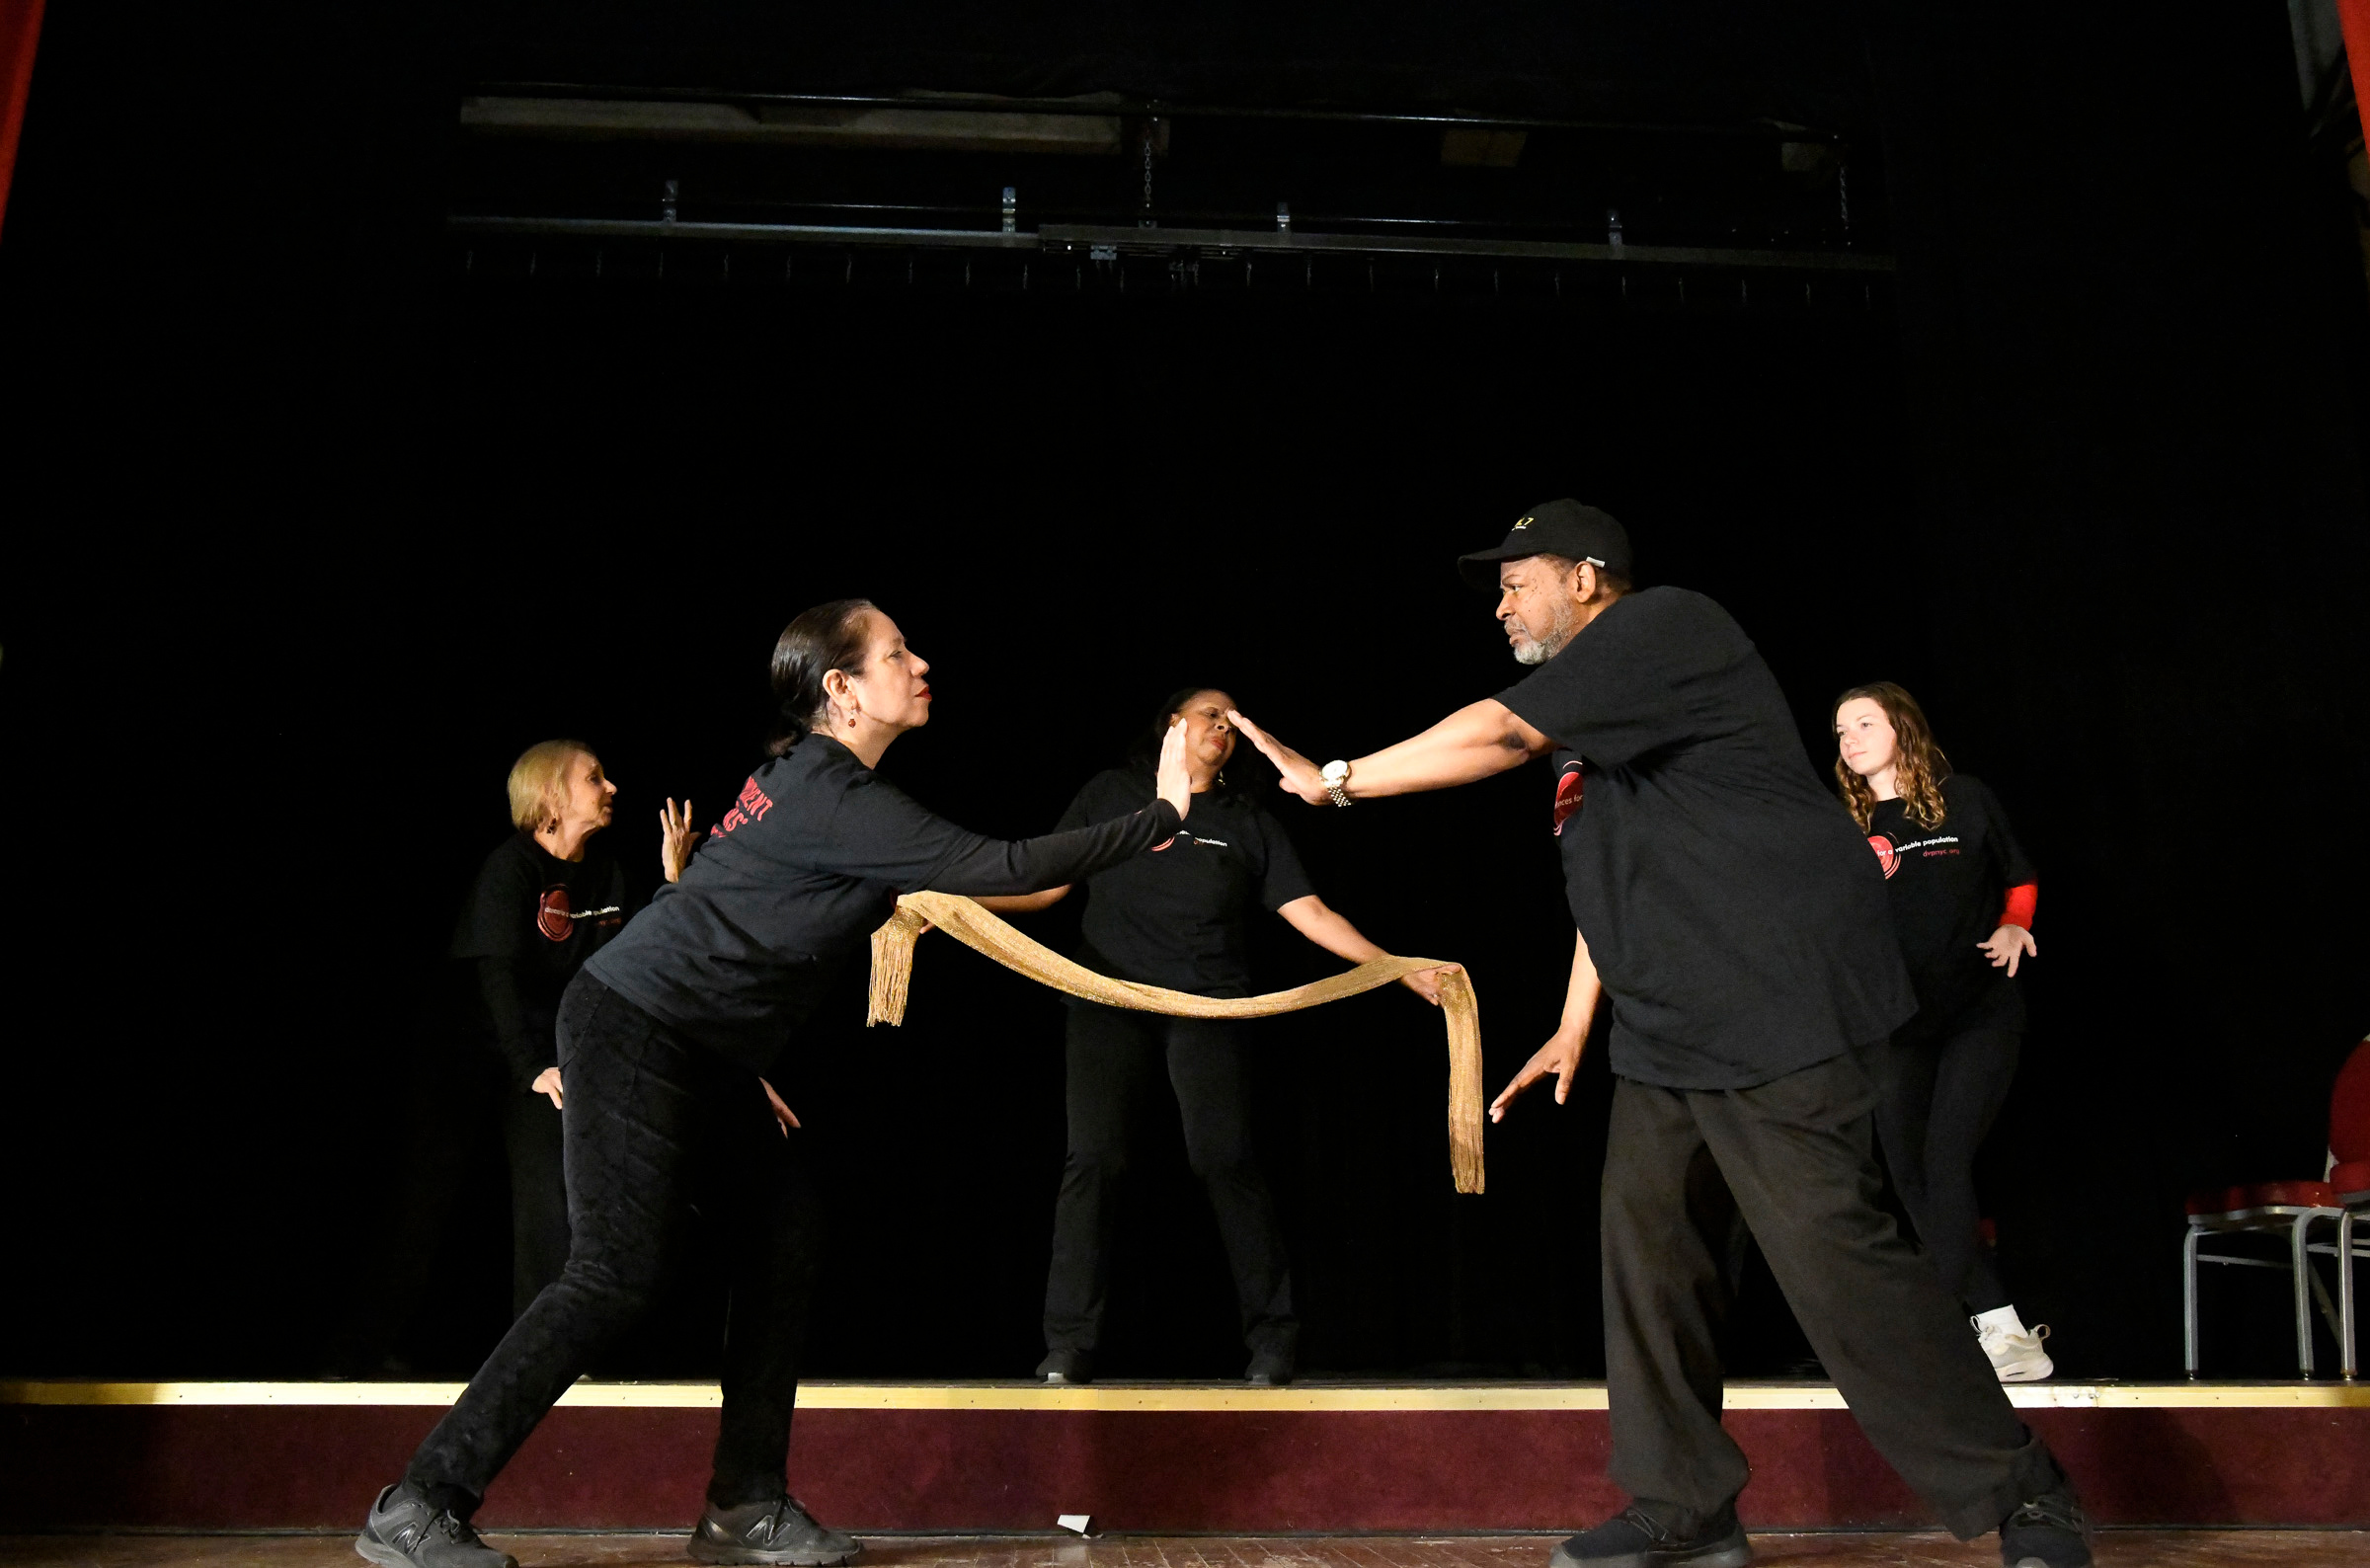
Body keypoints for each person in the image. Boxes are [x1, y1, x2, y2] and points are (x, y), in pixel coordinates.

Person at [1227, 501, 2092, 1568]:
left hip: (1772, 1007)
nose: (1501, 604)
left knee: (1839, 1270)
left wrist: (1337, 780)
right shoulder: (1594, 737)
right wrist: (1571, 1022)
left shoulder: (1667, 627)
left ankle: (2027, 1496)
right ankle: (1684, 1506)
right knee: (1650, 1260)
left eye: (1517, 580)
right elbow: (1617, 888)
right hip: (1670, 1033)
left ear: (1588, 577)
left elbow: (1495, 730)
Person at [356, 599, 1200, 1568]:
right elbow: (1003, 862)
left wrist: (734, 1062)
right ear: (842, 689)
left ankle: (743, 1504)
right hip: (633, 1026)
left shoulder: (814, 783)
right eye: (896, 653)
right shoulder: (836, 795)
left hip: (700, 1048)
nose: (920, 662)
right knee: (613, 1273)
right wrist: (1162, 815)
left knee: (785, 1231)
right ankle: (419, 1500)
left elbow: (999, 883)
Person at [978, 687, 1455, 1387]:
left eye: (1233, 723)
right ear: (1173, 724)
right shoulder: (1113, 794)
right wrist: (955, 902)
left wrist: (1394, 968)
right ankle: (1068, 1345)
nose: (1223, 729)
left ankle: (1273, 1340)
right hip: (1108, 999)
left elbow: (1311, 912)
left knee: (1223, 1158)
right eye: (1211, 715)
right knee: (1094, 1160)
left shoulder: (1247, 819)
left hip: (1209, 1006)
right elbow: (1045, 885)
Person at [1835, 682, 2051, 1382]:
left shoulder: (1965, 799)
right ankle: (2003, 1331)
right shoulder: (1843, 825)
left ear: (1902, 726)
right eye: (1840, 731)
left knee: (1945, 1159)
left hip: (1979, 1012)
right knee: (1908, 1175)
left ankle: (1946, 1338)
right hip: (1900, 1026)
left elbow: (2019, 876)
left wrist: (2015, 923)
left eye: (1865, 722)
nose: (1850, 738)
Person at [451, 739, 705, 1317]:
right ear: (552, 798)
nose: (612, 787)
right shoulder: (509, 871)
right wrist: (528, 1069)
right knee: (537, 1199)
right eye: (594, 778)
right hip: (501, 1060)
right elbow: (496, 981)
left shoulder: (610, 875)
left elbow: (652, 961)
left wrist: (674, 883)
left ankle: (597, 1361)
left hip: (574, 1061)